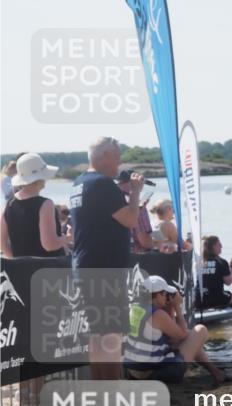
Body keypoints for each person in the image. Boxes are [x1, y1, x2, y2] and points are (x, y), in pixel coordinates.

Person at [70, 137, 145, 380]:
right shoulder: (103, 184)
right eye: (117, 156)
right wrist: (135, 192)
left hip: (86, 265)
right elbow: (130, 220)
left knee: (97, 334)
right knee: (111, 335)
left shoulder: (79, 182)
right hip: (104, 268)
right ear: (104, 156)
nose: (120, 162)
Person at [123, 275, 226, 384]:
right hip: (153, 374)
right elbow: (182, 335)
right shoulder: (157, 314)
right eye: (165, 294)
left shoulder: (135, 308)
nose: (166, 297)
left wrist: (170, 308)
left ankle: (215, 372)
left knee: (189, 339)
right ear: (158, 295)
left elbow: (172, 337)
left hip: (134, 371)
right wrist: (177, 307)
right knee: (200, 330)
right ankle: (216, 373)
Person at [0, 153, 72, 258]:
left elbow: (2, 242)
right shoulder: (45, 204)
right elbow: (49, 245)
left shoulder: (9, 204)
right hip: (48, 265)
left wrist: (16, 260)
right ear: (40, 178)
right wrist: (69, 237)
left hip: (21, 267)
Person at [115, 170, 155, 253]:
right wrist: (159, 243)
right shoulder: (136, 205)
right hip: (134, 256)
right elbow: (145, 242)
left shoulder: (110, 200)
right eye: (142, 182)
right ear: (135, 182)